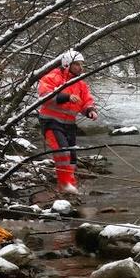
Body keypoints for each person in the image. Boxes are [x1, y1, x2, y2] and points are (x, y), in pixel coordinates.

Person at [37, 50, 98, 195]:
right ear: (67, 64)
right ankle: (65, 185)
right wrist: (66, 97)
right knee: (62, 152)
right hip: (51, 122)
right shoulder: (52, 77)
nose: (80, 67)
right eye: (76, 64)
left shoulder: (81, 84)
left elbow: (86, 101)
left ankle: (69, 187)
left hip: (69, 124)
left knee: (71, 157)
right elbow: (45, 96)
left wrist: (90, 110)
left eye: (81, 64)